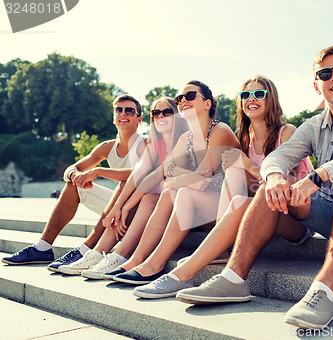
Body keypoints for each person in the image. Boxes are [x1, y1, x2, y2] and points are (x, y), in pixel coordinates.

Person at [175, 46, 333, 330]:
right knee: (274, 187)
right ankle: (233, 278)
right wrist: (276, 177)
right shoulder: (314, 126)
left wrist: (321, 174)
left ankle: (324, 292)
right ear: (317, 86)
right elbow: (278, 158)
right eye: (325, 73)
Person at [132, 75, 314, 299]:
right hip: (259, 211)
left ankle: (182, 274)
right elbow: (164, 174)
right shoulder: (245, 138)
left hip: (295, 217)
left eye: (259, 94)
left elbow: (288, 187)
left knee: (236, 173)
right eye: (245, 95)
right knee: (190, 192)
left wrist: (246, 164)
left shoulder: (286, 132)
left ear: (271, 99)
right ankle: (155, 263)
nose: (251, 99)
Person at [108, 80, 240, 285]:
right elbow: (162, 176)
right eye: (179, 99)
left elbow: (204, 175)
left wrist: (179, 178)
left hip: (228, 214)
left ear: (207, 104)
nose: (182, 102)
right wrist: (124, 206)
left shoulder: (220, 130)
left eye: (189, 96)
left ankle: (155, 265)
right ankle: (137, 259)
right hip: (203, 210)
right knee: (167, 194)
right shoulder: (185, 138)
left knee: (182, 191)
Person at [2, 94, 146, 271]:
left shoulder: (145, 143)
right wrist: (75, 176)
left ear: (139, 119)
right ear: (114, 117)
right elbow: (71, 169)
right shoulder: (106, 147)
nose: (123, 113)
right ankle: (42, 248)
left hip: (140, 209)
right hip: (117, 207)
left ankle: (86, 249)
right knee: (72, 186)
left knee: (124, 183)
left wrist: (99, 171)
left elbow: (141, 174)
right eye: (119, 109)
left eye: (129, 110)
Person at [57, 96, 188, 276]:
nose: (161, 117)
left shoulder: (184, 139)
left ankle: (121, 255)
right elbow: (139, 173)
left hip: (186, 204)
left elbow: (151, 177)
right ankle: (97, 253)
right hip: (161, 202)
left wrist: (101, 175)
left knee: (149, 196)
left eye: (167, 112)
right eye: (156, 113)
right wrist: (119, 207)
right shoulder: (155, 144)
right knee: (140, 194)